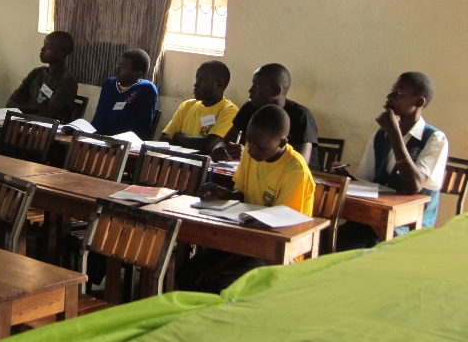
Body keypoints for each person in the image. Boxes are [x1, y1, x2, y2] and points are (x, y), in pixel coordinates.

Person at [177, 105, 315, 293]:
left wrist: (219, 267)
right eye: (250, 142)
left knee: (217, 282)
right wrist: (223, 194)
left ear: (282, 143)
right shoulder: (253, 151)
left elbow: (275, 232)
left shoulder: (295, 171)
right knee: (187, 274)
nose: (252, 151)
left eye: (260, 147)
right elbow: (243, 195)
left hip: (276, 251)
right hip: (245, 240)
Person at [335, 72, 448, 250]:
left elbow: (414, 185)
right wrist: (346, 177)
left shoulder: (435, 139)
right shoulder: (380, 135)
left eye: (399, 93)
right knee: (328, 241)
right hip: (374, 219)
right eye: (392, 91)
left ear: (419, 102)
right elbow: (372, 185)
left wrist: (395, 134)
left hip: (409, 224)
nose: (390, 96)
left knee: (370, 249)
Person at [211, 63, 320, 169]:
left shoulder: (301, 115)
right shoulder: (249, 108)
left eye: (257, 85)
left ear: (275, 91)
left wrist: (248, 156)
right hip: (258, 174)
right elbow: (224, 142)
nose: (250, 90)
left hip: (297, 177)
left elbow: (299, 164)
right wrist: (219, 150)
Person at [160, 60, 238, 153]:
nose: (196, 85)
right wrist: (194, 144)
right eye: (197, 80)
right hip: (178, 160)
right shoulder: (187, 105)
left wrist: (178, 136)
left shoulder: (229, 110)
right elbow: (164, 139)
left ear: (219, 84)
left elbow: (207, 146)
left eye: (202, 81)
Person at [6, 31, 78, 122]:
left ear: (59, 55)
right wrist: (34, 106)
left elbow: (49, 115)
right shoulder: (36, 73)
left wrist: (23, 106)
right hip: (23, 123)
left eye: (47, 47)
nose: (42, 49)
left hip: (43, 128)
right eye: (43, 45)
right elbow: (10, 103)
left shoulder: (67, 81)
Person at [90, 49, 158, 140]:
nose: (117, 69)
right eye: (118, 65)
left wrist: (114, 140)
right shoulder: (109, 84)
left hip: (123, 143)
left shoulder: (146, 89)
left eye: (123, 67)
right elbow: (99, 117)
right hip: (97, 138)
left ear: (137, 74)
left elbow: (143, 129)